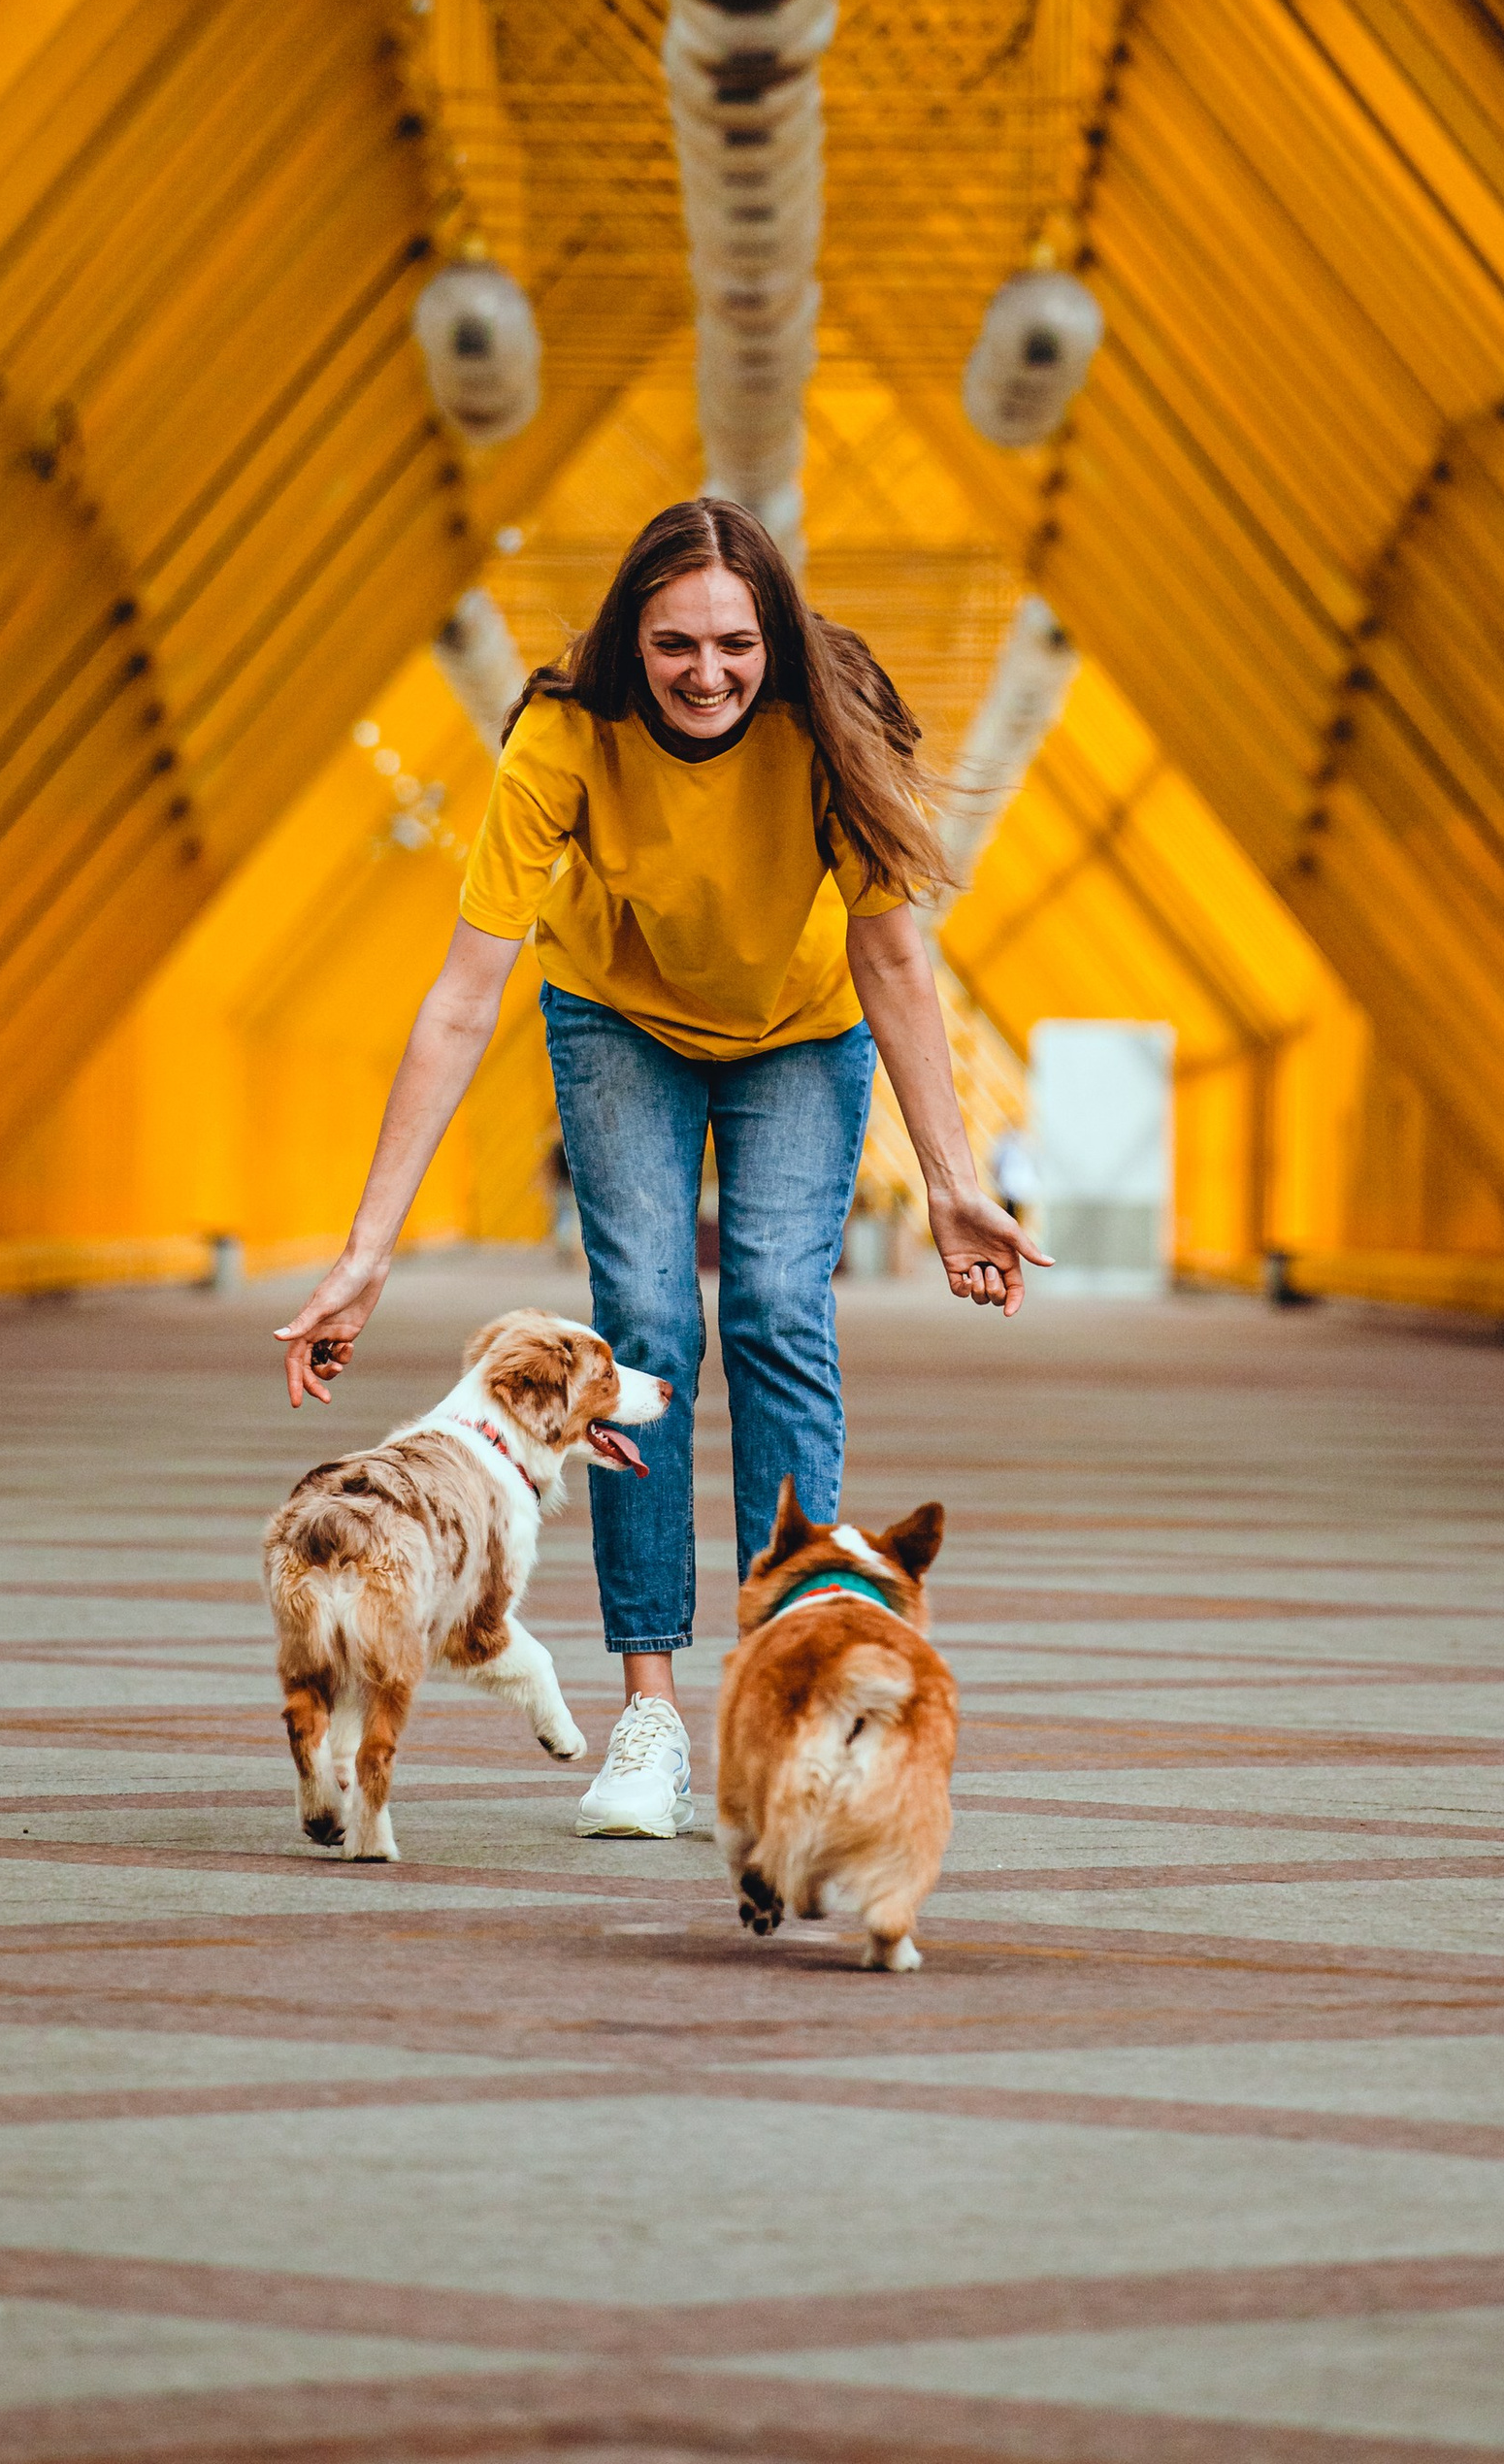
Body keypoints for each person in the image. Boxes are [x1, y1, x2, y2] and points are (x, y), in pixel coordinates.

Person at [275, 496, 1051, 1839]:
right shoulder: (564, 740)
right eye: (676, 644)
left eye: (736, 645)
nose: (707, 674)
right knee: (640, 1324)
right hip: (618, 1018)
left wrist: (950, 1178)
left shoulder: (828, 725)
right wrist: (366, 1250)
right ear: (633, 639)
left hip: (800, 1035)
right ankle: (647, 1714)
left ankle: (787, 1694)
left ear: (776, 637)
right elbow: (464, 998)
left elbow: (893, 958)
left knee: (773, 1305)